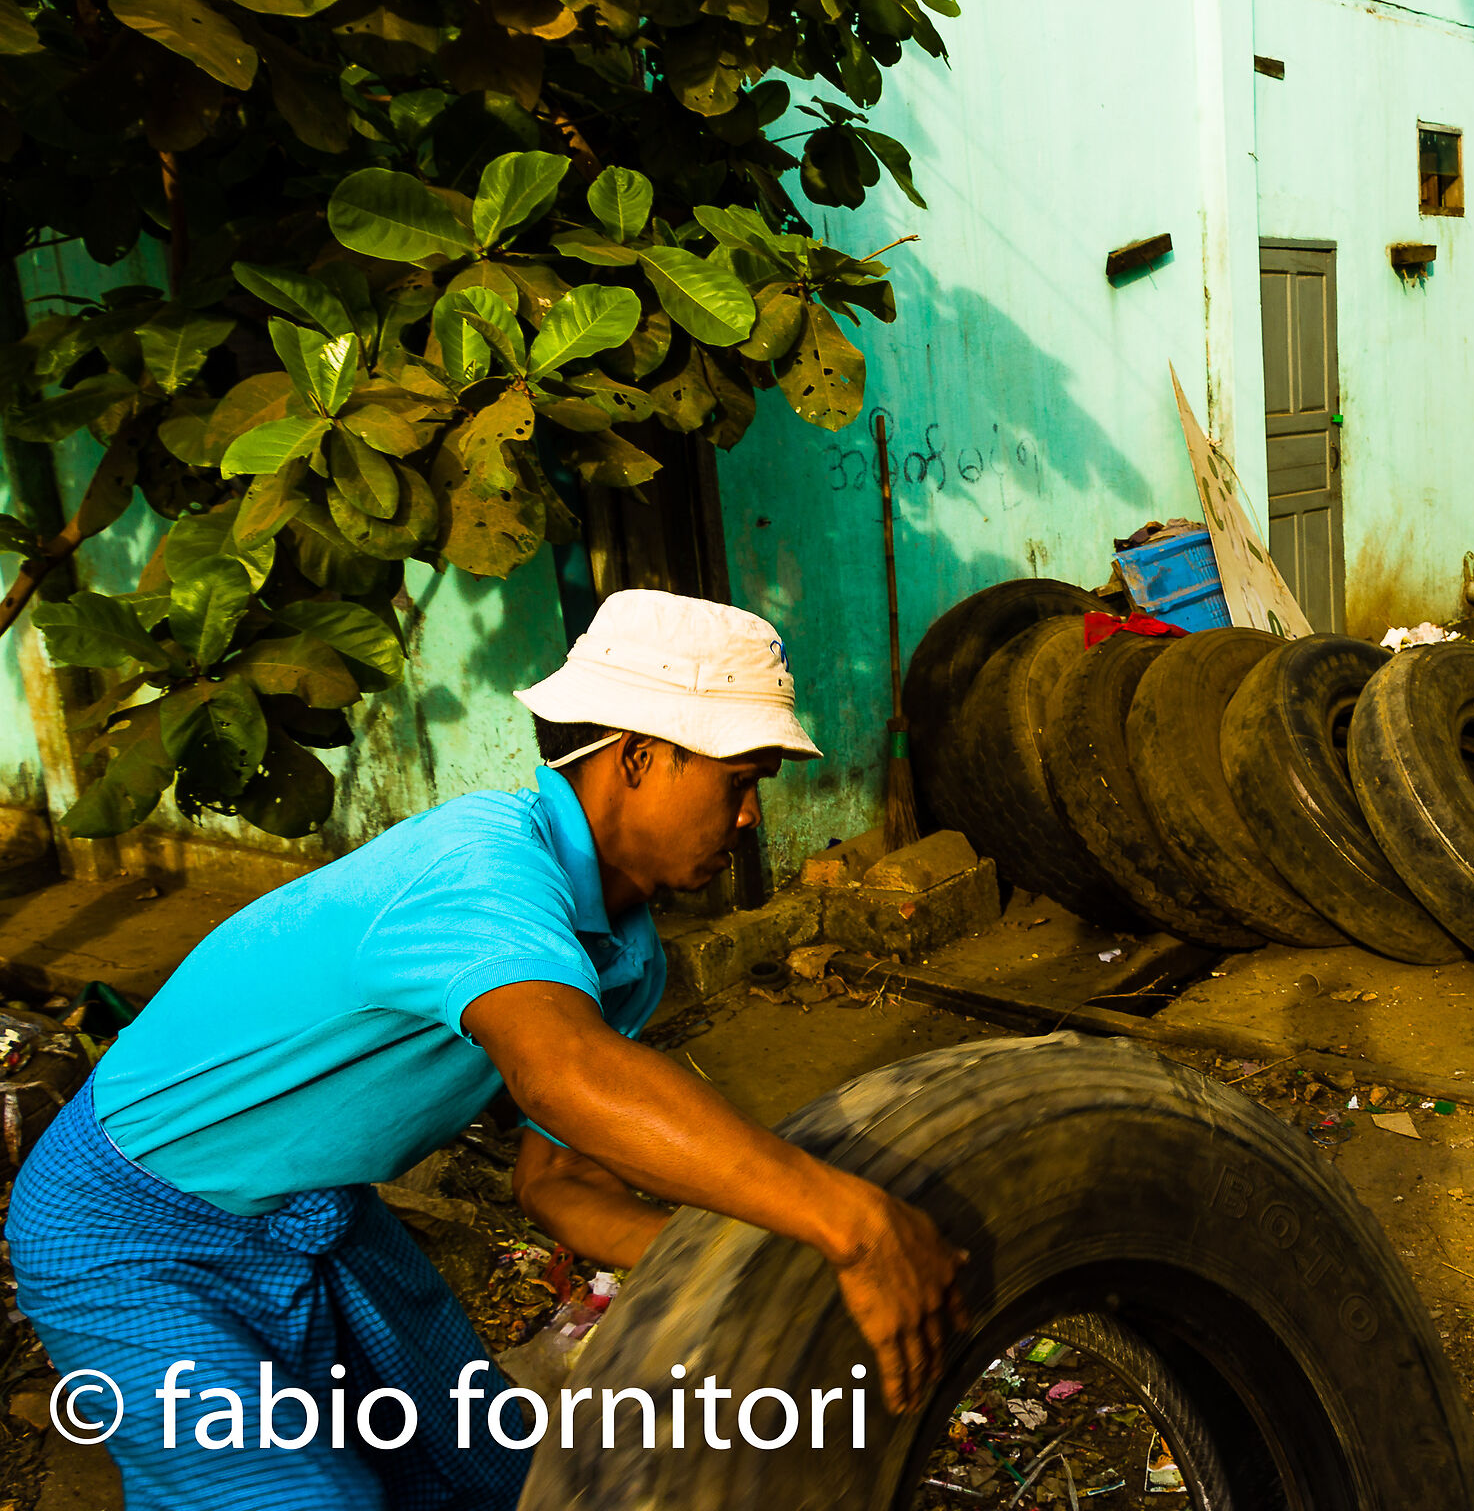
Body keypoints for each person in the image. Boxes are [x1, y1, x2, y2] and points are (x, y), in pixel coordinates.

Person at [7, 590, 966, 1509]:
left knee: (489, 1472)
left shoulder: (622, 956)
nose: (753, 818)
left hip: (313, 1211)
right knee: (288, 1496)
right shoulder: (482, 867)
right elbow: (566, 1075)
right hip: (129, 1228)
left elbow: (560, 1186)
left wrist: (752, 1270)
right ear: (638, 758)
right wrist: (853, 1220)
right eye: (740, 783)